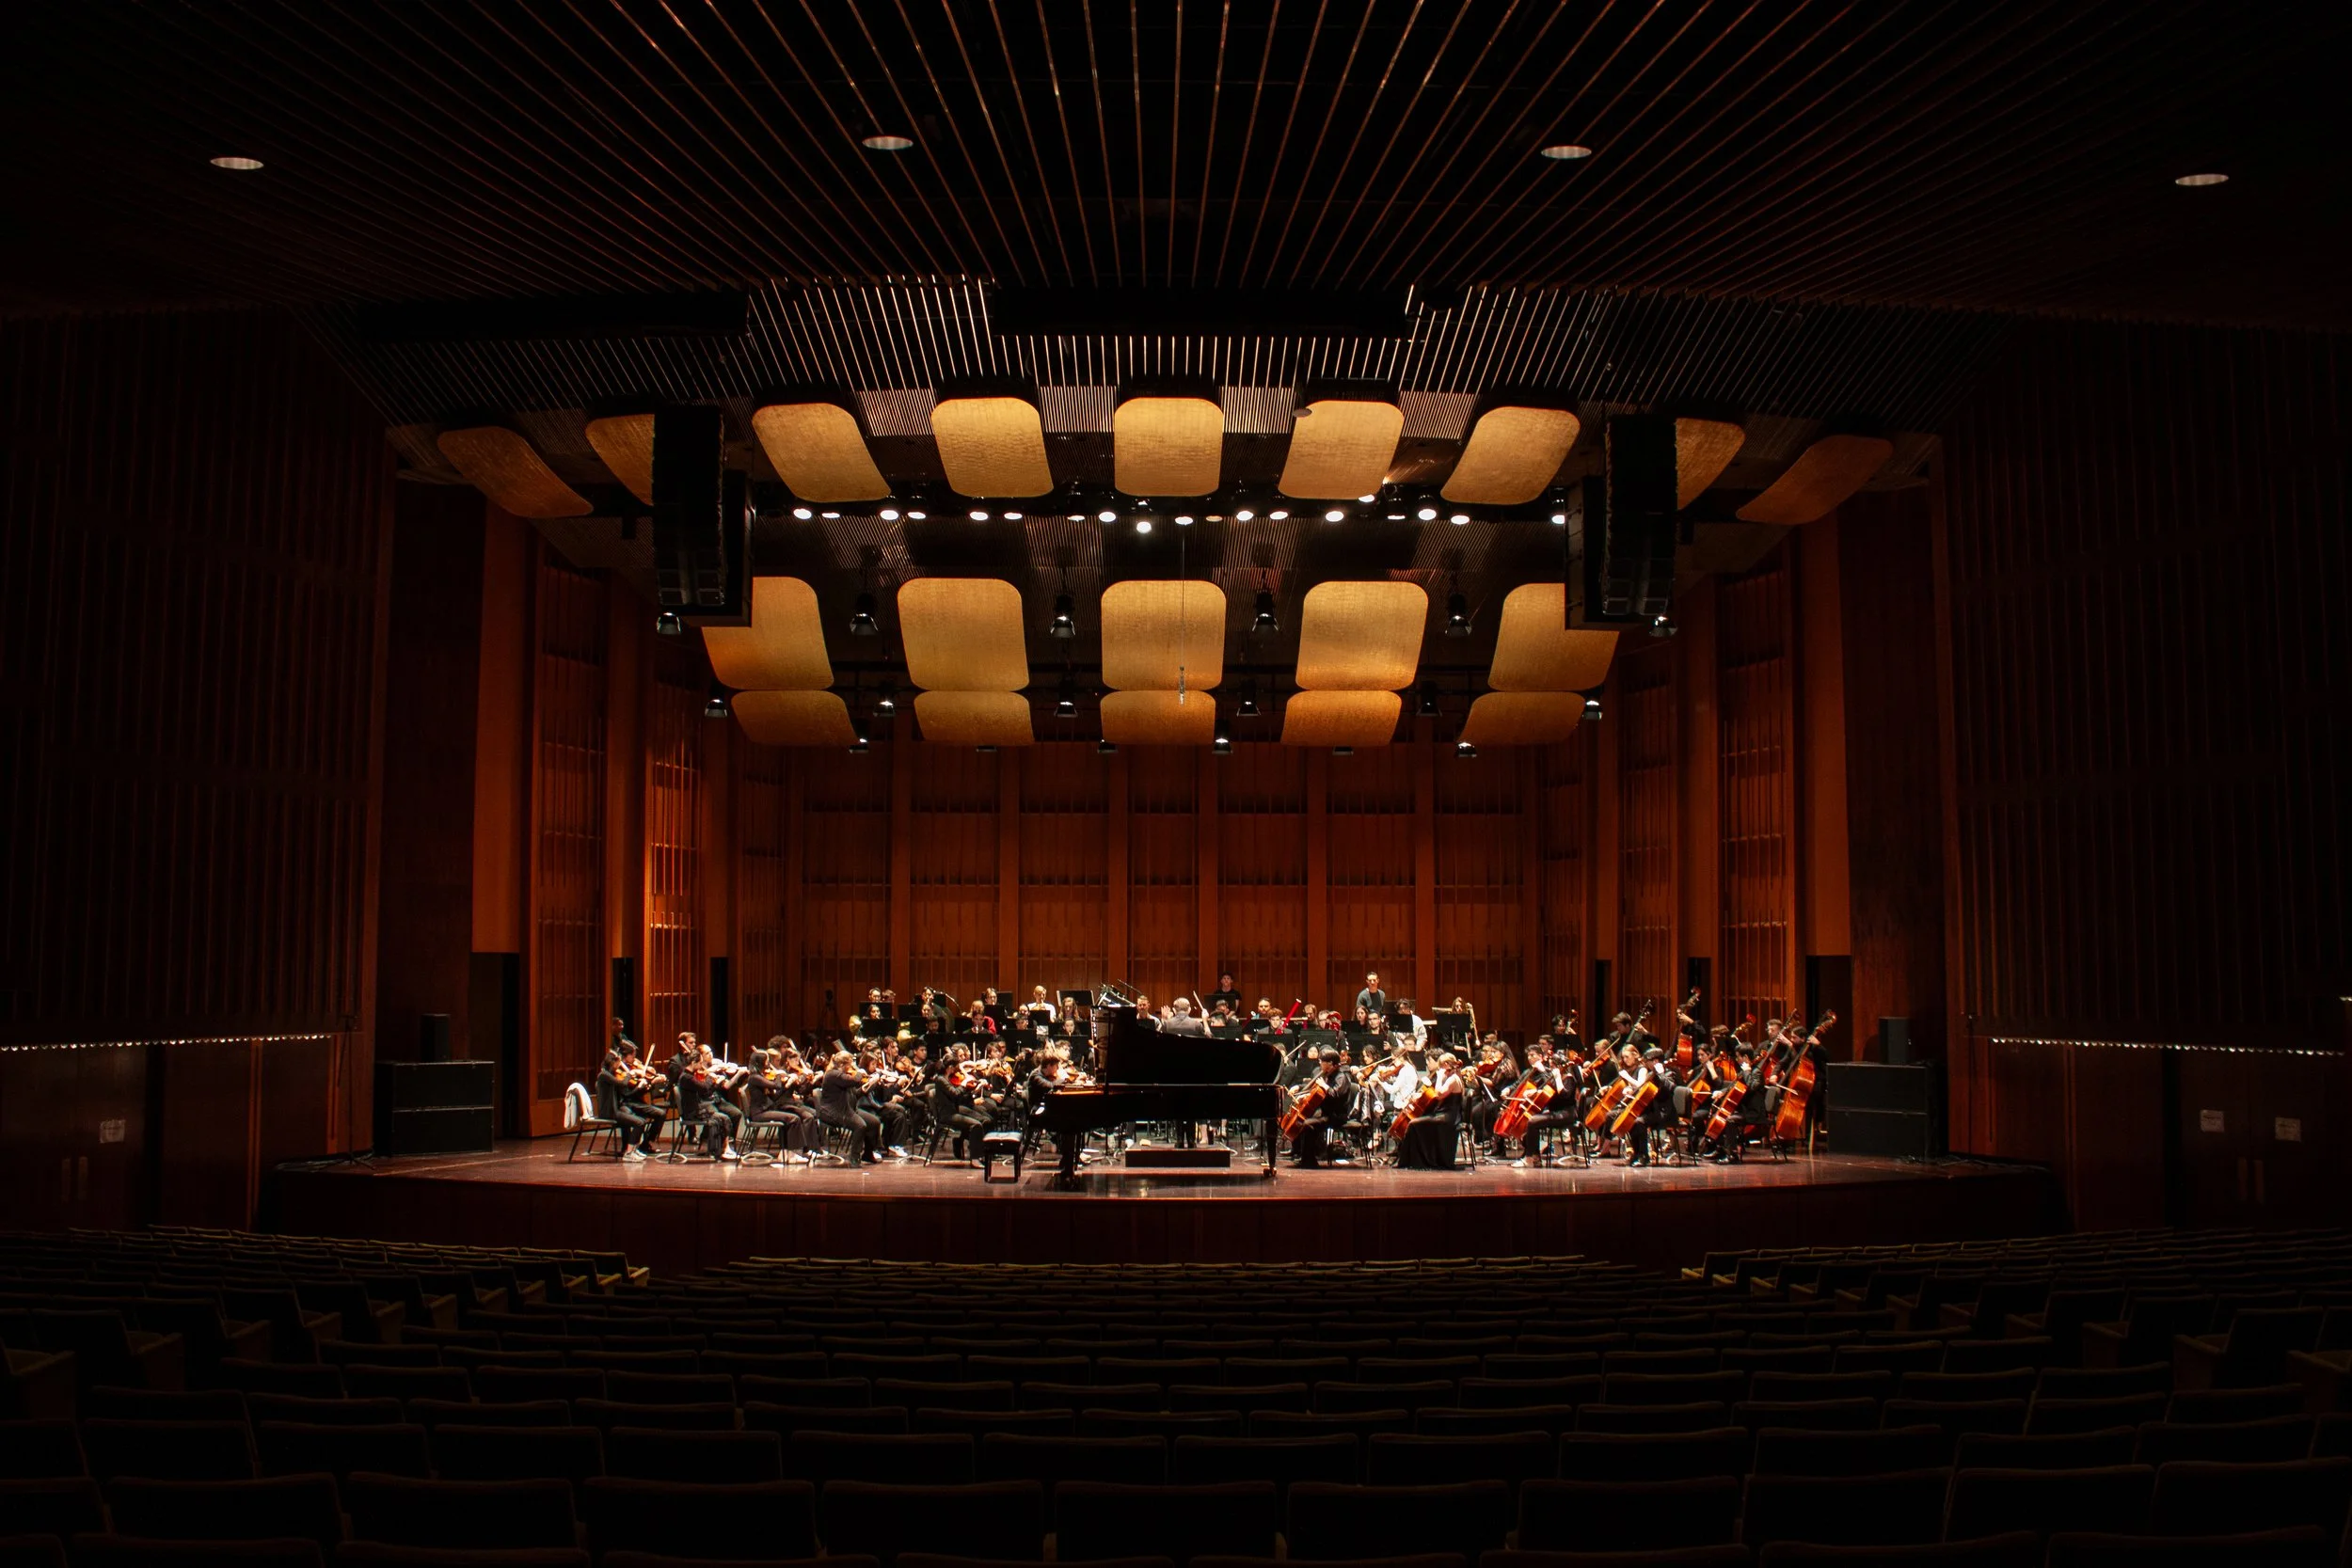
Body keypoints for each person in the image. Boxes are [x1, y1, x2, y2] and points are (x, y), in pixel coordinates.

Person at [596, 1036, 664, 1161]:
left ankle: (633, 1149)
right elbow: (623, 1085)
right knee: (637, 1120)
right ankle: (628, 1151)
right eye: (618, 1062)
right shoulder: (605, 1075)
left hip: (617, 1107)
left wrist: (649, 1083)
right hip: (612, 1110)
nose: (620, 1065)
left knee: (640, 1120)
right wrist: (630, 1074)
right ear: (614, 1062)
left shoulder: (608, 1075)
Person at [1395, 1051, 1465, 1169]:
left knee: (1413, 1124)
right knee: (1417, 1122)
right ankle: (1413, 1159)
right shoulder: (1454, 1077)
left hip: (1446, 1117)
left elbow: (1439, 1094)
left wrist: (1439, 1077)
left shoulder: (1453, 1079)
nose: (1440, 1069)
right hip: (1445, 1115)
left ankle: (1413, 1161)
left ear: (1447, 1065)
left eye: (1441, 1066)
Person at [1290, 1048, 1357, 1169]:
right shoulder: (1327, 1075)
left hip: (1337, 1115)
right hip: (1326, 1113)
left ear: (1330, 1063)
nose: (1320, 1063)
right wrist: (1299, 1088)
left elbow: (1335, 1095)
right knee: (1300, 1121)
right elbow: (1314, 1088)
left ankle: (1310, 1160)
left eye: (1322, 1061)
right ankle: (1304, 1156)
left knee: (1307, 1125)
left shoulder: (1342, 1077)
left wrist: (1325, 1086)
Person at [816, 1050, 883, 1164]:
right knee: (860, 1125)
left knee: (874, 1122)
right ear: (842, 1064)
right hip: (834, 1111)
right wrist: (860, 1072)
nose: (852, 1066)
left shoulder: (844, 1076)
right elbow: (855, 1081)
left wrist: (867, 1087)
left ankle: (867, 1154)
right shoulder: (833, 1075)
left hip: (848, 1109)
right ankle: (854, 1158)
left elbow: (855, 1095)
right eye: (850, 1064)